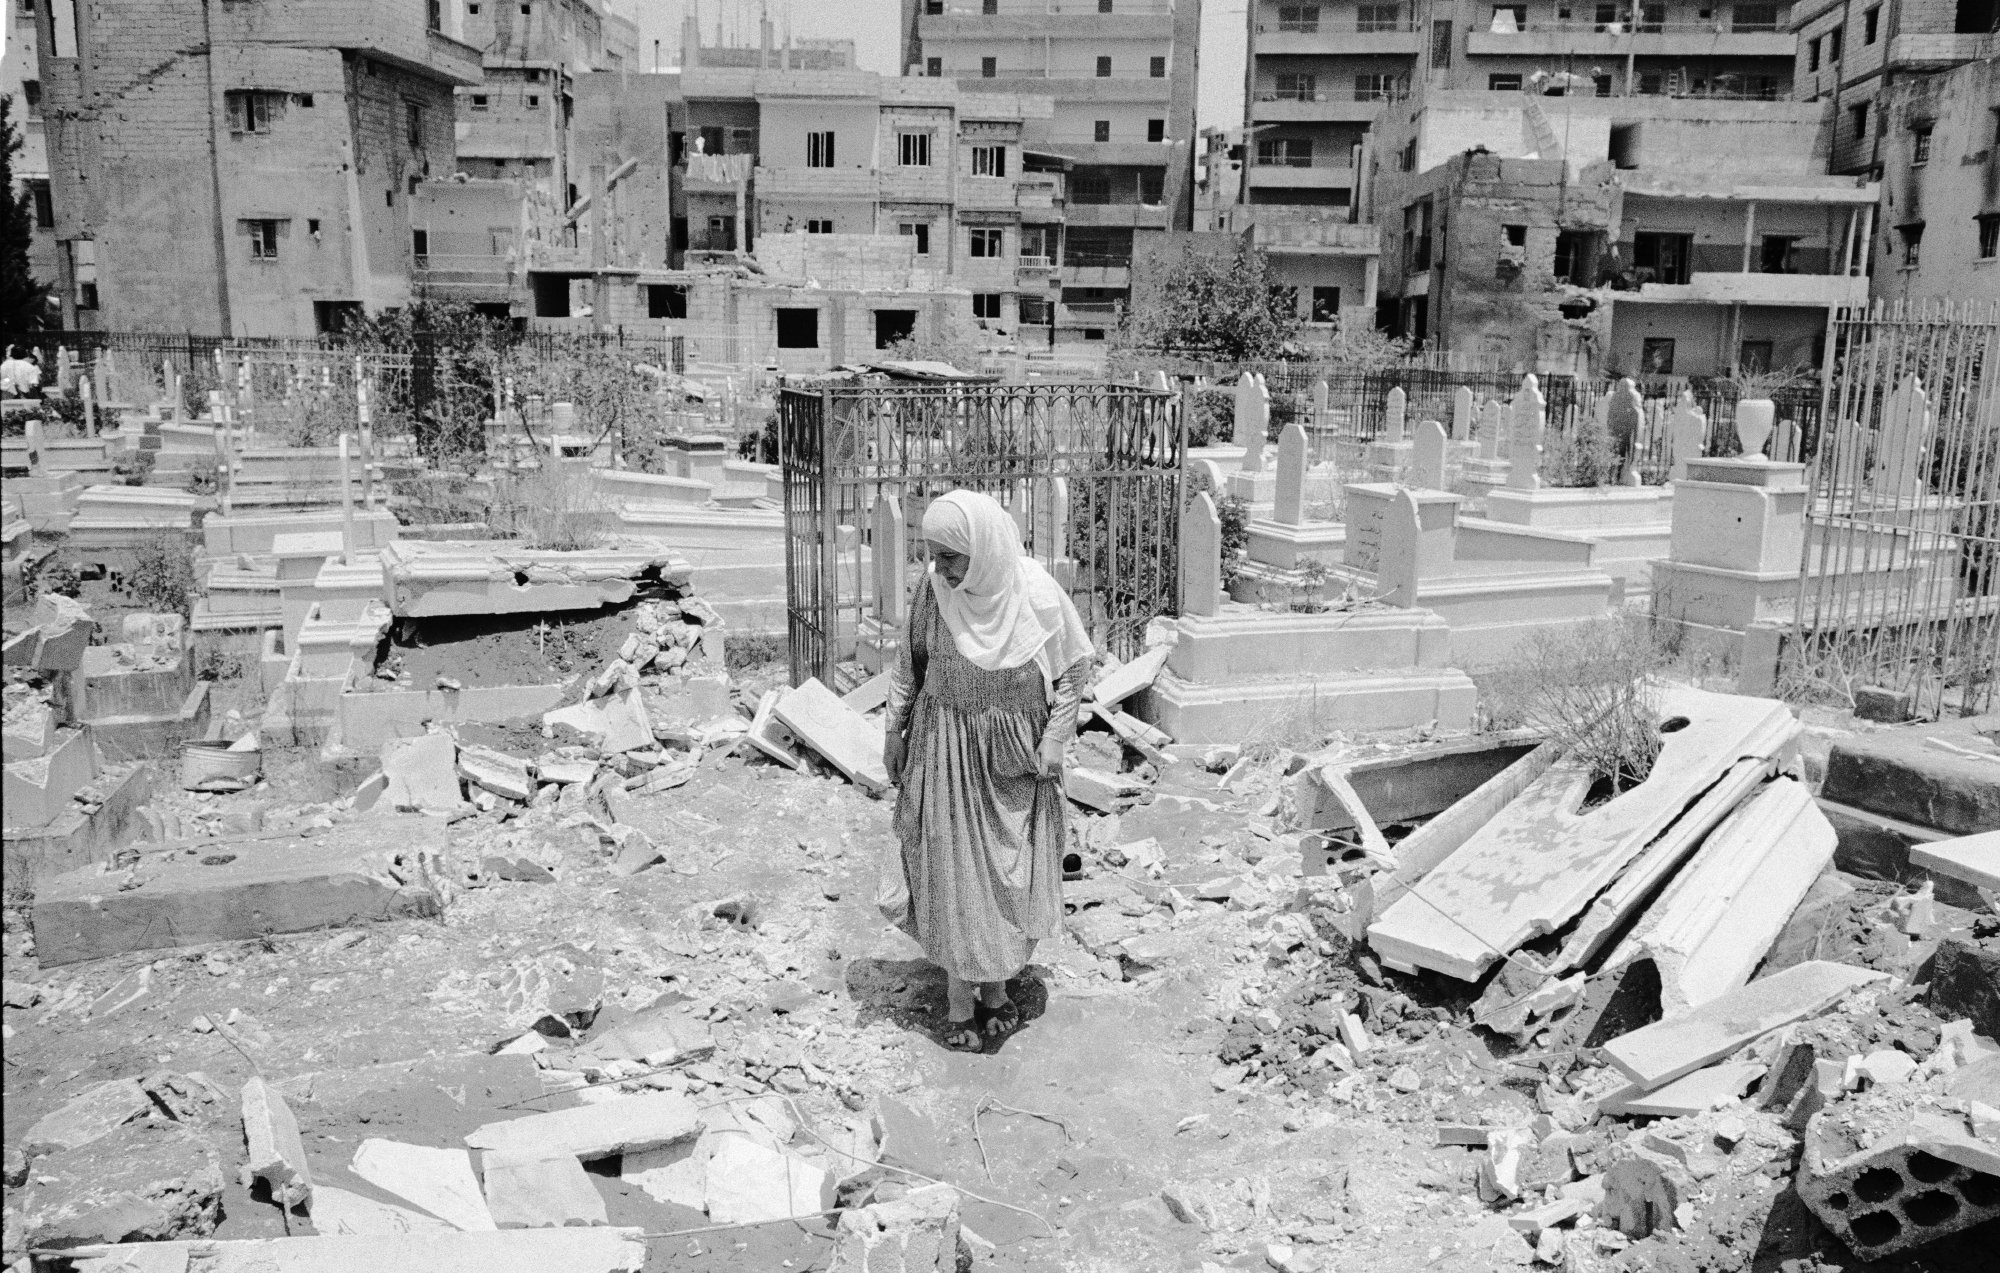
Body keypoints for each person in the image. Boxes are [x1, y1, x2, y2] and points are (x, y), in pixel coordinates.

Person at [881, 490, 1094, 1052]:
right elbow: (909, 666)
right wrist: (892, 733)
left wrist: (1055, 737)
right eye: (932, 555)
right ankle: (957, 996)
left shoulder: (1038, 594)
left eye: (952, 556)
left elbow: (1075, 670)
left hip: (1016, 756)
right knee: (956, 875)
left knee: (1008, 876)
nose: (941, 569)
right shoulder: (932, 593)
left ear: (985, 548)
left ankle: (996, 991)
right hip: (945, 748)